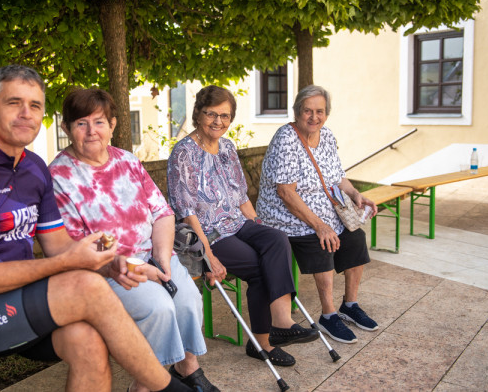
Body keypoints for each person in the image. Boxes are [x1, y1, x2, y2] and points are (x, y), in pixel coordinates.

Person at [0, 65, 193, 392]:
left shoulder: (33, 168)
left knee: (89, 343)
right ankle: (173, 389)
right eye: (13, 103)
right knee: (85, 286)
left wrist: (110, 264)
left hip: (16, 303)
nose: (26, 114)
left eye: (35, 106)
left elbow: (61, 246)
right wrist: (67, 264)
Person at [48, 88, 217, 392]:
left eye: (99, 122)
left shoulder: (126, 160)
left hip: (155, 254)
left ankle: (186, 367)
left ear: (112, 125)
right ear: (67, 128)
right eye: (81, 123)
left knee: (189, 300)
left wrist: (163, 260)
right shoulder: (59, 177)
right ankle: (146, 386)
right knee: (159, 308)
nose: (91, 131)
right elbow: (75, 244)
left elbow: (162, 213)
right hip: (108, 270)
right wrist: (128, 262)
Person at [167, 85, 319, 368]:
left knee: (276, 239)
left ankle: (282, 322)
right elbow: (186, 212)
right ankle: (262, 342)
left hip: (236, 223)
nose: (218, 122)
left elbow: (240, 197)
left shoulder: (227, 147)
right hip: (208, 233)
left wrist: (260, 228)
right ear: (198, 114)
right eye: (211, 114)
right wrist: (209, 255)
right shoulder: (183, 153)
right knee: (259, 266)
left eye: (225, 116)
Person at [256, 85, 379, 344]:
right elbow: (286, 193)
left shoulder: (327, 136)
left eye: (319, 111)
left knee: (355, 239)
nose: (314, 117)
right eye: (307, 111)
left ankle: (350, 305)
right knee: (323, 240)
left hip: (325, 212)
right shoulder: (286, 139)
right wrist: (320, 225)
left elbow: (337, 176)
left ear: (327, 114)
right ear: (297, 112)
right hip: (286, 218)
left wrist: (356, 195)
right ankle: (328, 315)